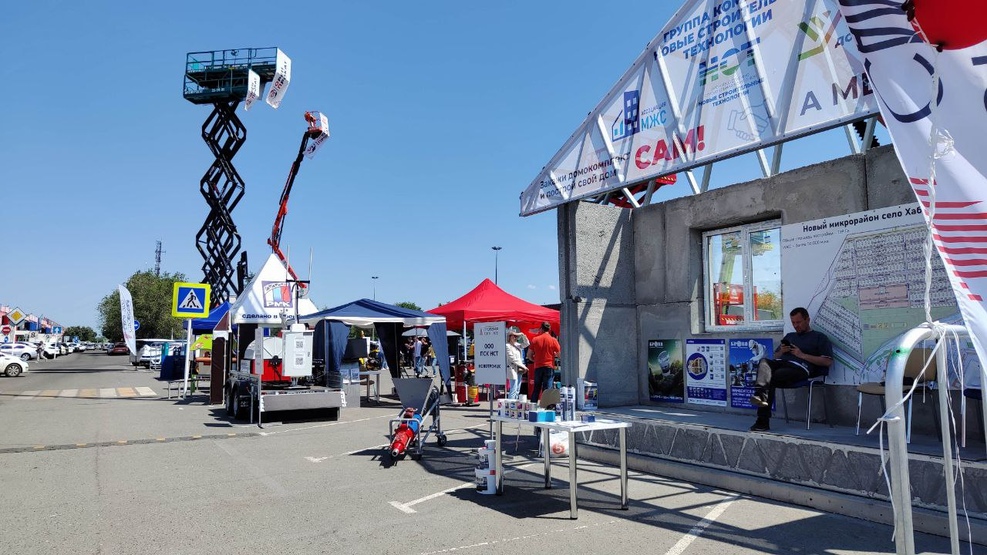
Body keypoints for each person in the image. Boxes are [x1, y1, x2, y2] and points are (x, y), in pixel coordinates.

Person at [749, 307, 833, 432]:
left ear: (807, 320)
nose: (795, 326)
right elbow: (776, 356)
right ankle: (761, 395)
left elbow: (827, 362)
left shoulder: (819, 337)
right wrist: (782, 352)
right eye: (793, 323)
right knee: (764, 362)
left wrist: (802, 355)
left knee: (769, 379)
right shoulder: (790, 336)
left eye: (798, 322)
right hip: (781, 363)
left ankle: (762, 418)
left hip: (800, 368)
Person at [527, 321, 561, 402]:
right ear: (549, 329)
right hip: (549, 366)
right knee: (547, 389)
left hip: (538, 366)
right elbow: (560, 355)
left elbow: (529, 355)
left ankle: (533, 405)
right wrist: (554, 355)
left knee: (536, 388)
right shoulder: (553, 340)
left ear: (541, 329)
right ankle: (547, 406)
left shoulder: (535, 339)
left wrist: (534, 360)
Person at [505, 329, 528, 399]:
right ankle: (510, 403)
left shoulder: (517, 345)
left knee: (517, 389)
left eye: (516, 336)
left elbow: (527, 343)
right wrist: (523, 366)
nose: (515, 338)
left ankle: (515, 403)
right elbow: (512, 359)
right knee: (513, 389)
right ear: (509, 337)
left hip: (519, 368)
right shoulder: (507, 346)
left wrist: (522, 335)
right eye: (513, 336)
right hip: (512, 368)